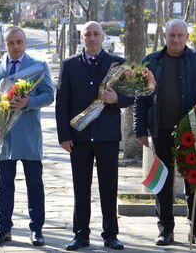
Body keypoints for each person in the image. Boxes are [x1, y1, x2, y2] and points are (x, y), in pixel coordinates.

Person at [133, 19, 196, 247]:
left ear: (187, 36)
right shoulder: (151, 61)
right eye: (172, 35)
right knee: (163, 181)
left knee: (194, 181)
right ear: (164, 36)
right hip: (161, 130)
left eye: (180, 35)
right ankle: (165, 230)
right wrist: (139, 128)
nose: (176, 40)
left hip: (192, 130)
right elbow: (141, 97)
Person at [55, 21, 133, 251]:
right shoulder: (69, 64)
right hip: (78, 137)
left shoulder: (116, 63)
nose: (92, 38)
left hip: (107, 136)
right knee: (81, 187)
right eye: (87, 34)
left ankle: (110, 234)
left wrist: (116, 99)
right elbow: (62, 103)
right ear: (81, 38)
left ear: (102, 37)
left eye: (96, 34)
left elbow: (132, 96)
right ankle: (81, 234)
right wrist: (63, 135)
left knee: (109, 187)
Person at [0, 26, 54, 247]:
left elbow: (49, 95)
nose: (15, 46)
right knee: (4, 187)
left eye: (18, 42)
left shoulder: (38, 66)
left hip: (30, 136)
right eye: (10, 43)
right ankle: (4, 229)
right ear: (5, 45)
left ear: (25, 43)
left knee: (35, 185)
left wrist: (28, 103)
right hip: (4, 137)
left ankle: (37, 230)